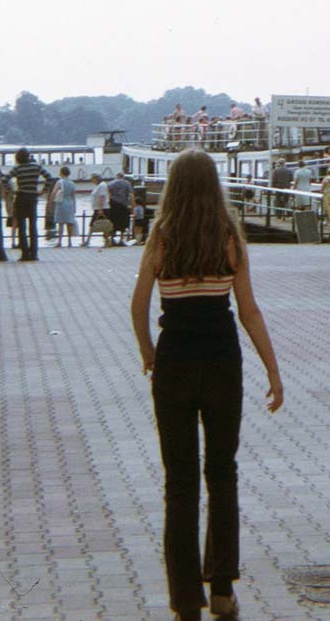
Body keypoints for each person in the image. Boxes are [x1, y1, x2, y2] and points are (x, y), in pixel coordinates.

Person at [130, 150, 284, 621]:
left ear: (173, 186)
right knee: (222, 474)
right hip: (222, 364)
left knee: (179, 485)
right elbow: (249, 311)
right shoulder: (228, 239)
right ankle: (220, 590)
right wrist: (274, 373)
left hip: (174, 363)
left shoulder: (161, 238)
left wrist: (149, 352)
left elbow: (137, 307)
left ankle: (184, 602)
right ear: (214, 185)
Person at [4, 147, 51, 262]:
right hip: (33, 198)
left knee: (22, 227)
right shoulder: (36, 167)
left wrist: (12, 190)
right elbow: (49, 178)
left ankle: (25, 254)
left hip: (20, 198)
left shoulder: (17, 169)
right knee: (33, 226)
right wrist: (42, 190)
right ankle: (34, 253)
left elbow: (5, 179)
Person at [50, 166, 78, 247]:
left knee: (61, 223)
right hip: (70, 204)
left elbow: (54, 192)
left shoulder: (59, 182)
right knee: (69, 223)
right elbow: (73, 196)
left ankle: (59, 241)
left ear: (61, 173)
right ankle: (69, 241)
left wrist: (50, 202)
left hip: (61, 203)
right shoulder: (72, 183)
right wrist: (74, 207)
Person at [108, 173, 134, 246]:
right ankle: (121, 240)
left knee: (113, 222)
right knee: (123, 223)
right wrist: (132, 206)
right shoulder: (127, 183)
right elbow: (131, 195)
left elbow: (108, 194)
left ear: (117, 177)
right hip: (123, 205)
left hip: (113, 205)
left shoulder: (111, 183)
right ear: (123, 177)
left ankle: (112, 239)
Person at [87, 174, 112, 247]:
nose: (91, 180)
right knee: (98, 225)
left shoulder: (101, 186)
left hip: (102, 208)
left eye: (92, 179)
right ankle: (107, 241)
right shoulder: (100, 185)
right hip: (99, 208)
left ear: (96, 178)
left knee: (94, 225)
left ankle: (106, 241)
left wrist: (100, 209)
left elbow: (102, 197)